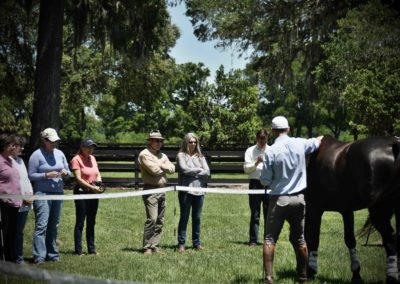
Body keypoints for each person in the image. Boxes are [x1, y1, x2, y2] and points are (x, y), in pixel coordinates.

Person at [260, 116, 323, 284]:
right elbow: (317, 142)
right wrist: (321, 137)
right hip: (299, 199)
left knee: (269, 239)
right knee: (300, 239)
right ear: (288, 129)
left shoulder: (271, 151)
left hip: (279, 199)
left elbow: (265, 180)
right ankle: (303, 276)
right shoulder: (300, 143)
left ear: (273, 131)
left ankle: (268, 277)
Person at [28, 128, 70, 264]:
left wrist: (65, 172)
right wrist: (46, 175)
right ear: (44, 140)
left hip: (58, 193)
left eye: (56, 141)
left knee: (54, 225)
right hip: (42, 194)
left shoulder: (60, 154)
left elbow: (69, 172)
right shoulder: (36, 155)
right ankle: (39, 256)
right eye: (51, 141)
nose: (54, 144)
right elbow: (31, 175)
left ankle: (52, 254)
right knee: (42, 225)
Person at [138, 130, 175, 255]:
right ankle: (147, 246)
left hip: (162, 189)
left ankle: (155, 245)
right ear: (150, 141)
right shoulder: (144, 154)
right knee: (152, 219)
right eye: (156, 140)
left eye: (161, 141)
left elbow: (172, 169)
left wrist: (162, 165)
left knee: (160, 220)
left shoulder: (163, 155)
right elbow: (154, 170)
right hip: (151, 190)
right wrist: (163, 165)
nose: (159, 143)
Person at [176, 133, 210, 252]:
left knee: (197, 218)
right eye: (191, 142)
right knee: (184, 217)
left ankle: (197, 243)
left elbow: (207, 172)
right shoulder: (181, 155)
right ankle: (181, 244)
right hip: (185, 190)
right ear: (186, 142)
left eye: (195, 142)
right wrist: (199, 170)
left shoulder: (200, 156)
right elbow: (184, 169)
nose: (193, 144)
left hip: (199, 191)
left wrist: (194, 172)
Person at [70, 139, 103, 256]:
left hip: (93, 192)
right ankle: (78, 250)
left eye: (92, 147)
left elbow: (97, 173)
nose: (91, 149)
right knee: (80, 222)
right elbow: (78, 179)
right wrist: (91, 187)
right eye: (88, 147)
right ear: (82, 147)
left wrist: (99, 184)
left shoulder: (93, 158)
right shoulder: (76, 159)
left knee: (91, 221)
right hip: (81, 192)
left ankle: (91, 249)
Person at [243, 128, 269, 247]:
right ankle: (253, 240)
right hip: (254, 183)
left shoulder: (272, 150)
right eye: (260, 139)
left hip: (269, 184)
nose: (262, 141)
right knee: (255, 213)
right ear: (257, 138)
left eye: (264, 139)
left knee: (269, 214)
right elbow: (246, 169)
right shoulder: (250, 151)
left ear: (267, 138)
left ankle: (268, 240)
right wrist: (256, 163)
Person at [10, 135, 34, 264]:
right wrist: (22, 197)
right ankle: (12, 257)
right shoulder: (6, 162)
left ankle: (18, 257)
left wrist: (30, 194)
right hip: (14, 202)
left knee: (19, 231)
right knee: (11, 231)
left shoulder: (20, 161)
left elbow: (26, 179)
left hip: (25, 201)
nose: (22, 148)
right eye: (20, 145)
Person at [0, 133, 21, 262]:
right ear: (4, 146)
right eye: (11, 145)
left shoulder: (10, 161)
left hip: (14, 203)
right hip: (4, 204)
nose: (13, 147)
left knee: (12, 234)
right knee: (4, 234)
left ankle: (10, 259)